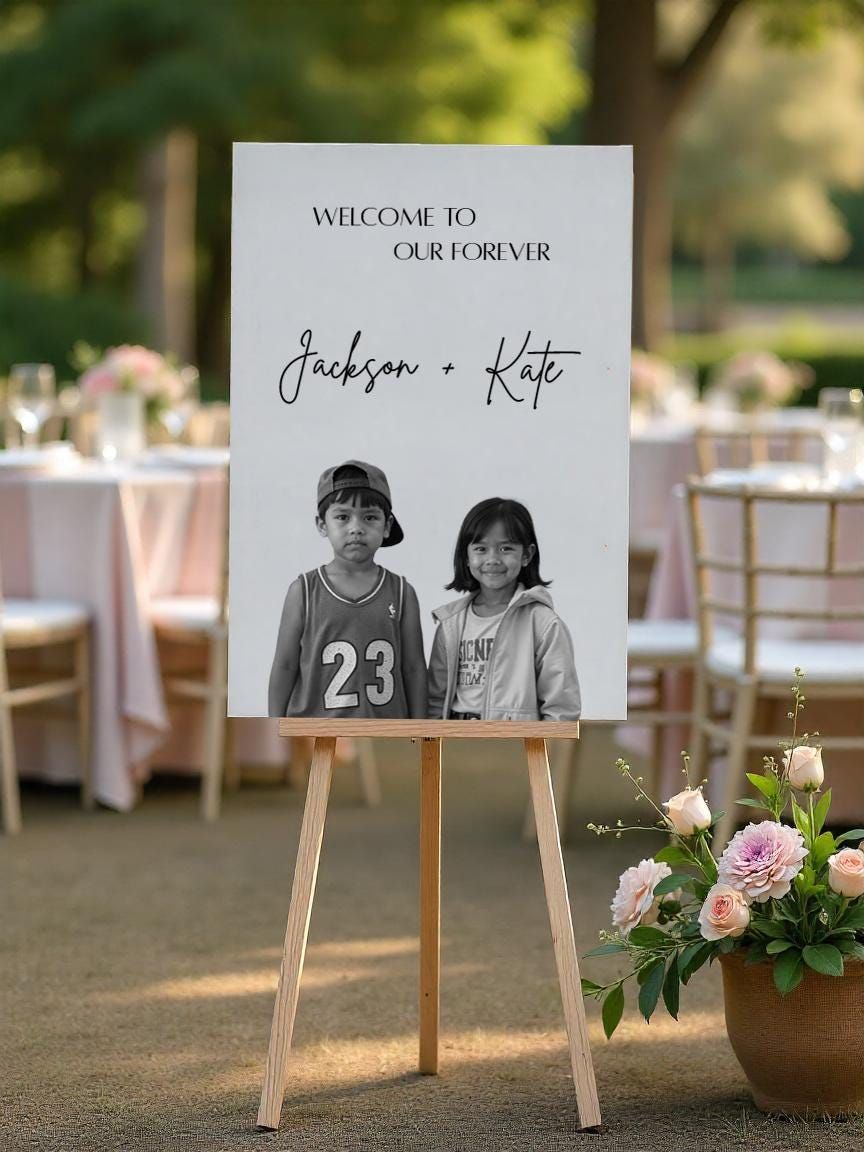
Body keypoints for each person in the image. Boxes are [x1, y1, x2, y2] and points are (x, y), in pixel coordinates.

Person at [268, 460, 427, 718]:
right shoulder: (304, 591)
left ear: (386, 526)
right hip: (316, 730)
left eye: (370, 517)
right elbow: (285, 666)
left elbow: (414, 668)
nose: (356, 528)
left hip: (384, 732)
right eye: (342, 517)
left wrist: (421, 729)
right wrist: (275, 726)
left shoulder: (401, 592)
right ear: (322, 525)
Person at [428, 497, 580, 722]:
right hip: (455, 740)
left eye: (505, 548)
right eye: (481, 548)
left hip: (516, 742)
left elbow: (561, 709)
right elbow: (434, 702)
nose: (492, 559)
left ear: (526, 555)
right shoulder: (450, 624)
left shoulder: (543, 623)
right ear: (466, 557)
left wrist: (539, 747)